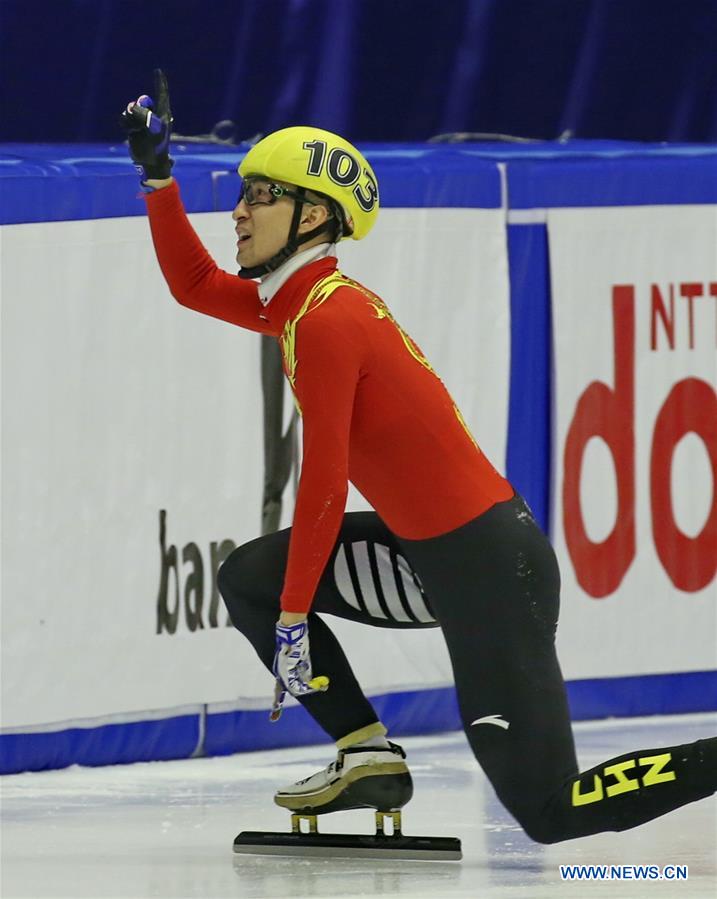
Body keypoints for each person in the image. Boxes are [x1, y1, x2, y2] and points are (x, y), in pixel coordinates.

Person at [122, 75, 716, 844]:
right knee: (248, 578)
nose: (236, 211)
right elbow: (192, 283)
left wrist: (299, 615)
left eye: (259, 196)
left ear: (312, 215)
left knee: (550, 810)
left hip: (488, 574)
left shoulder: (330, 319)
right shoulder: (299, 302)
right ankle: (365, 754)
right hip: (424, 557)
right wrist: (158, 178)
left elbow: (325, 483)